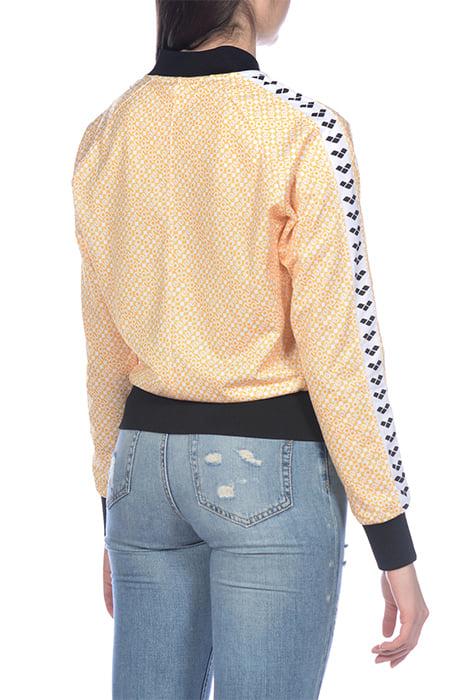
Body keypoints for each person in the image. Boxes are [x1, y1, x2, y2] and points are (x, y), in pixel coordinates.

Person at [72, 1, 429, 697]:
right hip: (268, 471)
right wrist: (392, 540)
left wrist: (112, 509)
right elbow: (340, 349)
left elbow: (103, 345)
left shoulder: (107, 133)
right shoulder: (301, 130)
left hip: (140, 473)